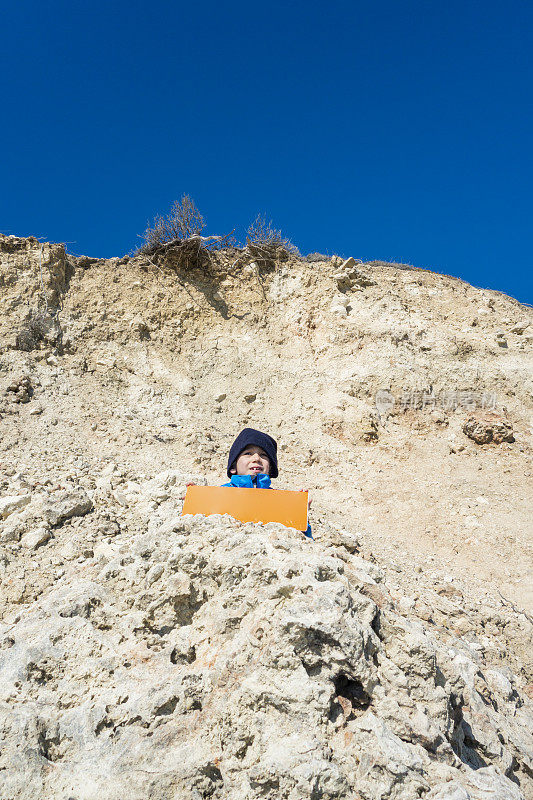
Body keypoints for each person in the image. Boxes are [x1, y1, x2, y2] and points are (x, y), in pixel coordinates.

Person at [222, 427, 313, 539]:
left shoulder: (281, 502)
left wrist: (300, 514)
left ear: (270, 468)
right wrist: (194, 498)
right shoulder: (219, 494)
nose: (256, 458)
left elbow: (303, 542)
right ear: (233, 467)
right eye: (248, 453)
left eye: (263, 455)